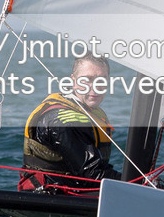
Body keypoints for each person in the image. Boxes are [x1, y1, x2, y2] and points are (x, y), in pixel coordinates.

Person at [20, 52, 120, 193]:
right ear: (74, 80)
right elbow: (92, 174)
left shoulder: (90, 111)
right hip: (51, 197)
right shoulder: (62, 120)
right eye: (87, 80)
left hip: (79, 191)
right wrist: (138, 183)